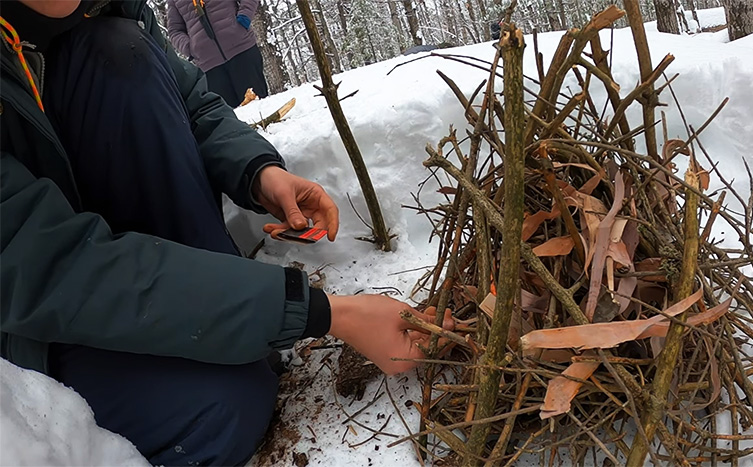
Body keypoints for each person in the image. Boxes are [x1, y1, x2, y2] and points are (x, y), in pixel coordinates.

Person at [0, 1, 452, 465]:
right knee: (221, 410)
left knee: (120, 50)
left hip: (118, 259)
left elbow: (193, 103)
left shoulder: (111, 7)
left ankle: (233, 328)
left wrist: (258, 171)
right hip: (34, 321)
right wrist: (317, 312)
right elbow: (52, 265)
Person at [167, 0, 268, 106]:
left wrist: (244, 19)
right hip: (210, 68)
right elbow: (175, 31)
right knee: (230, 117)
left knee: (259, 106)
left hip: (242, 51)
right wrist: (190, 48)